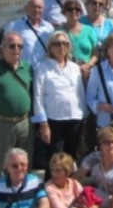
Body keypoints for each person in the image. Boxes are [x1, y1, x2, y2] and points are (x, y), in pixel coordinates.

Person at [0, 32, 34, 179]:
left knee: (25, 165)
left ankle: (24, 192)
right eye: (12, 46)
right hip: (2, 124)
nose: (16, 49)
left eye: (20, 46)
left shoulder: (28, 68)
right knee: (1, 166)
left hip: (24, 123)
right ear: (2, 48)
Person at [33, 32, 86, 171]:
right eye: (57, 44)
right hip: (54, 120)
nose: (62, 46)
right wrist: (43, 123)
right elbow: (38, 97)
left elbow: (80, 94)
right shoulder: (42, 68)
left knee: (71, 159)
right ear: (50, 48)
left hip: (75, 118)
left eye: (65, 43)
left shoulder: (75, 68)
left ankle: (70, 185)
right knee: (55, 160)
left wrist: (83, 116)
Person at [73, 127, 113, 208]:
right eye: (107, 142)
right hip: (95, 197)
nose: (111, 145)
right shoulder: (93, 158)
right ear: (100, 145)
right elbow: (75, 179)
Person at [3, 0, 54, 67]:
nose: (36, 10)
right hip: (23, 70)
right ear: (26, 8)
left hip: (44, 70)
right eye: (33, 7)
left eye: (39, 7)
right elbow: (4, 49)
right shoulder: (14, 26)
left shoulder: (49, 27)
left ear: (43, 9)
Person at [57, 0, 99, 83]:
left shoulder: (89, 30)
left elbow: (96, 54)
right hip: (66, 74)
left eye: (77, 9)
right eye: (70, 9)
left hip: (87, 73)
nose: (74, 11)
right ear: (64, 12)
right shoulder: (59, 32)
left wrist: (88, 65)